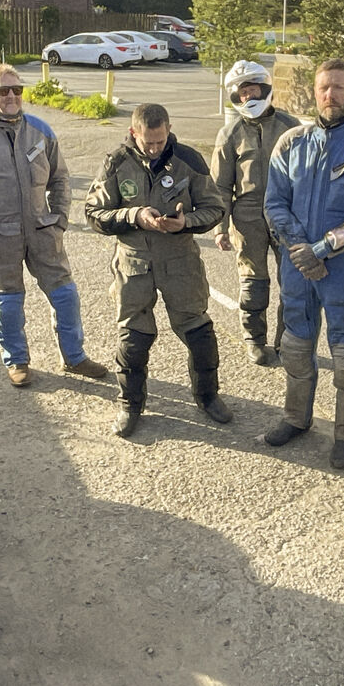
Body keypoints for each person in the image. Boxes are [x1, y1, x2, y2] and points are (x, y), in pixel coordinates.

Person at [262, 59, 344, 468]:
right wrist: (301, 250)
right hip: (297, 268)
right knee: (295, 347)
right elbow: (274, 203)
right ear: (314, 92)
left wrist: (321, 250)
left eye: (338, 87)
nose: (330, 95)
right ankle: (295, 419)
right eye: (324, 88)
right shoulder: (290, 143)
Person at [0, 63, 107, 387]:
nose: (11, 97)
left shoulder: (41, 131)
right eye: (3, 91)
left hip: (43, 231)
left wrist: (59, 219)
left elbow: (60, 178)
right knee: (8, 301)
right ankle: (17, 361)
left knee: (65, 294)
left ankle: (74, 357)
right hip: (0, 234)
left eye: (17, 90)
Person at [84, 102, 231, 439]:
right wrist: (133, 216)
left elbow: (214, 208)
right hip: (134, 263)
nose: (154, 148)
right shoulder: (116, 163)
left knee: (199, 335)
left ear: (168, 130)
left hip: (181, 262)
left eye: (160, 141)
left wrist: (185, 223)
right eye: (147, 142)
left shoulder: (188, 160)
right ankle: (130, 404)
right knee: (133, 341)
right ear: (134, 133)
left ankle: (208, 396)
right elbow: (93, 214)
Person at [212, 59, 300, 367]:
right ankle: (255, 339)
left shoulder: (293, 129)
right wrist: (220, 228)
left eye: (252, 90)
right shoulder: (230, 134)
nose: (248, 97)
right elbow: (220, 187)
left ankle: (288, 341)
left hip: (287, 214)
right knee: (253, 281)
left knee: (293, 281)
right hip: (247, 216)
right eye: (242, 92)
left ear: (264, 89)